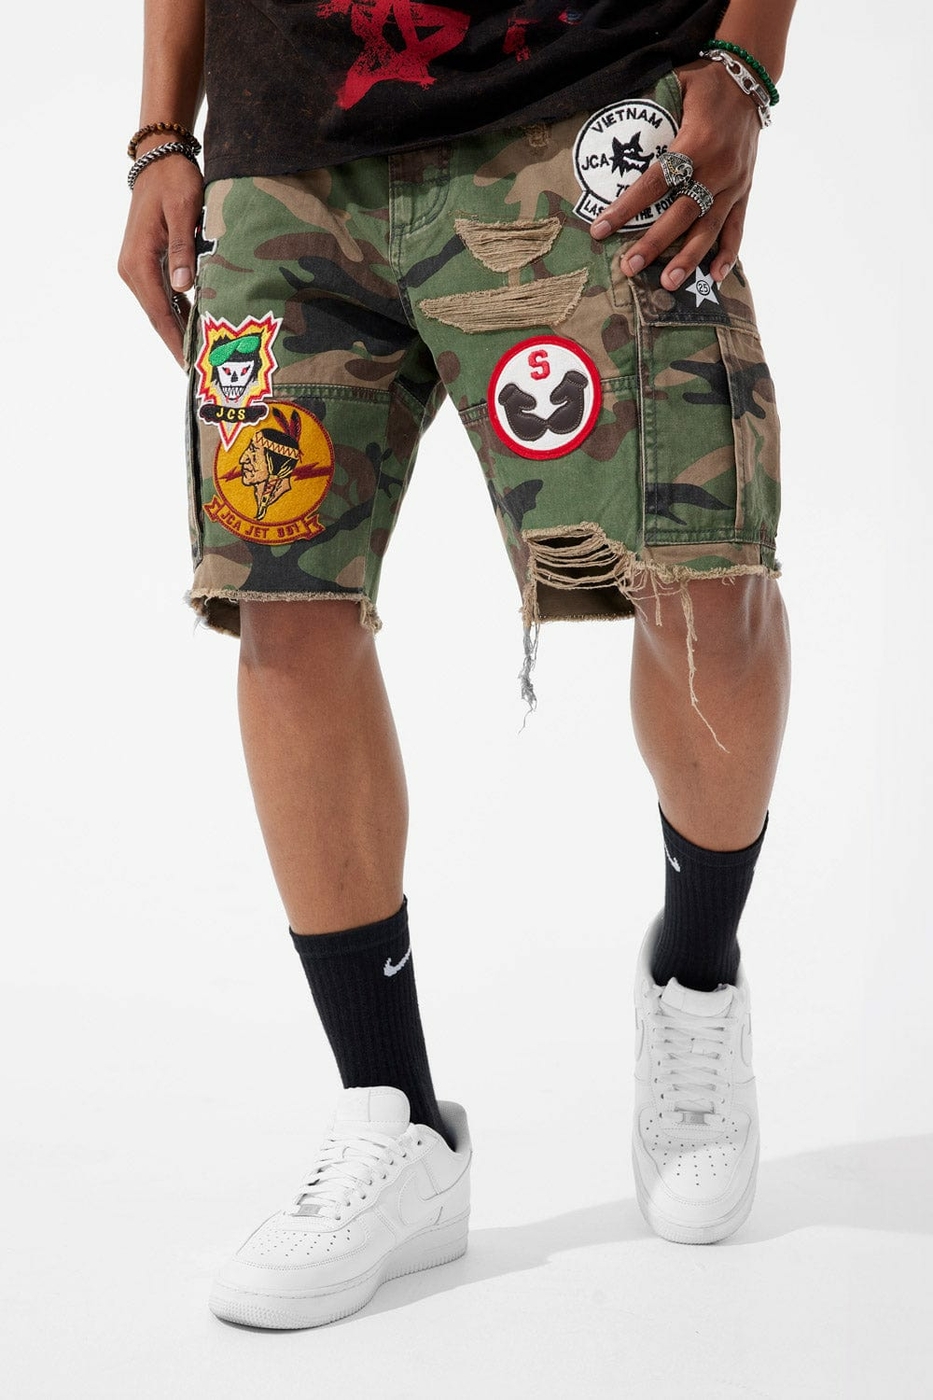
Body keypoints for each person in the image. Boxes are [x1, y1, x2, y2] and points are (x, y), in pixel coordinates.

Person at [119, 0, 796, 1329]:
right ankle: (396, 1116)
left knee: (701, 571)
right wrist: (160, 132)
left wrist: (745, 64)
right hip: (284, 146)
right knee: (283, 603)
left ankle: (697, 975)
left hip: (579, 110)